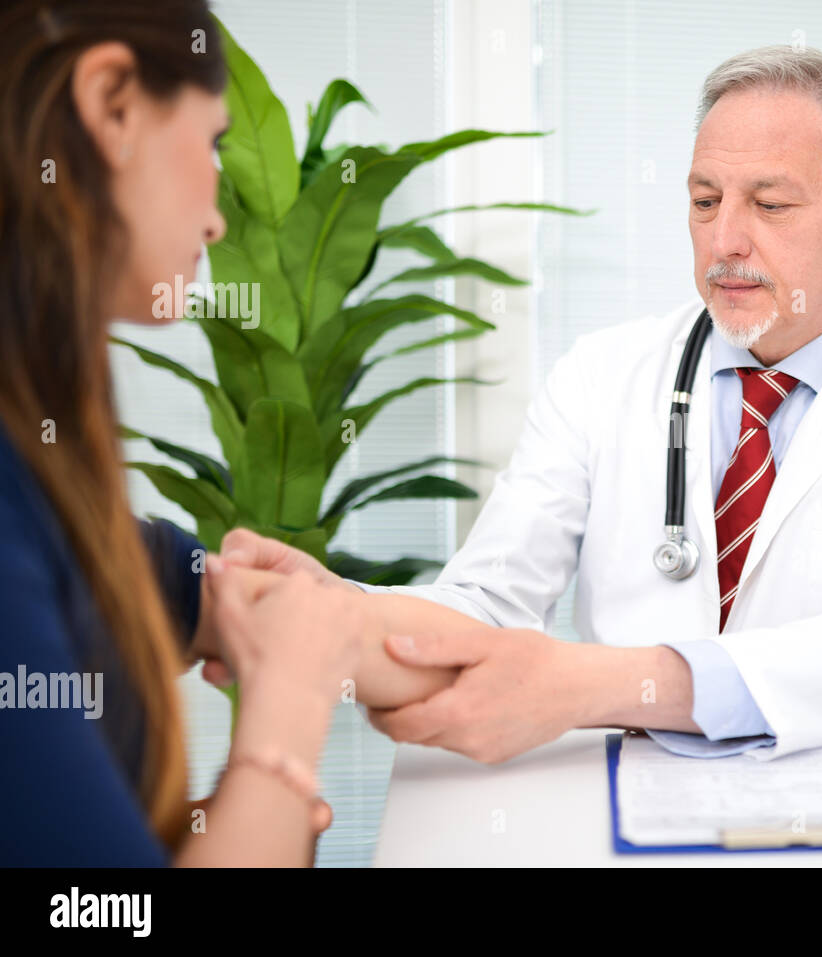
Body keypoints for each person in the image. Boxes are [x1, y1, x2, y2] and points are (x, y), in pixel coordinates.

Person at [226, 46, 822, 763]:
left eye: (770, 205)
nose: (725, 240)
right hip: (622, 792)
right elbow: (489, 602)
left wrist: (586, 683)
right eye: (705, 201)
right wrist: (334, 612)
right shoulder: (599, 374)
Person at [0, 0, 480, 867]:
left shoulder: (58, 493)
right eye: (214, 143)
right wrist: (283, 731)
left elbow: (348, 636)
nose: (220, 220)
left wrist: (620, 687)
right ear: (112, 101)